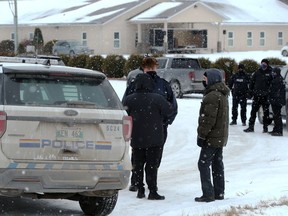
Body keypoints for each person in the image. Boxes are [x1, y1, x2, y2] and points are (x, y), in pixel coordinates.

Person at [123, 56, 178, 192]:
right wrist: (164, 122)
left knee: (138, 156)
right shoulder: (163, 85)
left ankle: (137, 181)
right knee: (153, 156)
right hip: (156, 127)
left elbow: (125, 106)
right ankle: (147, 182)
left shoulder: (136, 85)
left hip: (141, 127)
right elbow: (172, 107)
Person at [195, 69, 229, 202]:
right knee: (217, 163)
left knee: (203, 164)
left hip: (212, 137)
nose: (204, 81)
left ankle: (208, 193)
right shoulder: (222, 94)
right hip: (220, 137)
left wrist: (202, 136)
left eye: (206, 78)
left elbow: (208, 119)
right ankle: (219, 192)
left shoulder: (212, 96)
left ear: (213, 79)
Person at [244, 59, 273, 133]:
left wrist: (270, 93)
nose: (263, 65)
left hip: (266, 96)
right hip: (257, 96)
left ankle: (265, 128)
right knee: (253, 112)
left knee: (266, 113)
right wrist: (250, 92)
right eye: (262, 63)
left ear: (267, 64)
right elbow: (251, 83)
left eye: (265, 64)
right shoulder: (257, 72)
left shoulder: (271, 72)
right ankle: (251, 127)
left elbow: (273, 84)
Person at [268, 67, 286, 136]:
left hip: (277, 101)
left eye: (274, 72)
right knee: (275, 116)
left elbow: (276, 92)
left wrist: (273, 99)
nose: (273, 74)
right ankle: (276, 129)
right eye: (273, 72)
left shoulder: (278, 80)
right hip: (276, 100)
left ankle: (279, 131)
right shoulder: (278, 79)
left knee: (277, 116)